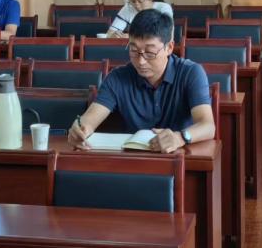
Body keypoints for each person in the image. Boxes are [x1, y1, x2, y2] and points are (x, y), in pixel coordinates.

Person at [68, 9, 215, 153]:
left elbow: (207, 126)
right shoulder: (117, 78)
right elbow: (89, 120)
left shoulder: (191, 73)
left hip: (180, 155)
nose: (141, 61)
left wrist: (180, 137)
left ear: (169, 47)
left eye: (150, 52)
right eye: (134, 50)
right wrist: (80, 130)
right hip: (133, 159)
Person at [106, 0, 174, 37]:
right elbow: (109, 34)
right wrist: (114, 36)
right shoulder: (128, 7)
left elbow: (166, 36)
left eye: (140, 1)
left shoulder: (163, 8)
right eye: (133, 1)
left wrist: (132, 37)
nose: (136, 5)